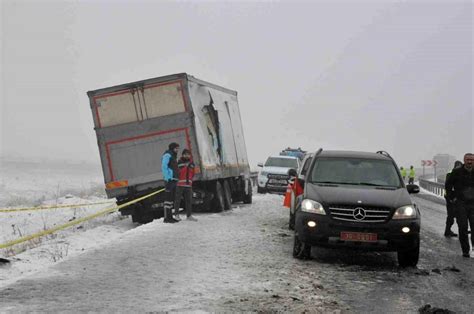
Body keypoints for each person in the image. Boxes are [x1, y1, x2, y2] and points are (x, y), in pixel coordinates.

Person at [445, 153, 474, 258]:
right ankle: (465, 250)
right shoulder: (456, 172)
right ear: (464, 160)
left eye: (472, 160)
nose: (470, 162)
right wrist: (452, 197)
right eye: (468, 159)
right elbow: (448, 185)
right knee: (463, 228)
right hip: (461, 204)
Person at [174, 149, 198, 222]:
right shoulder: (179, 162)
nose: (186, 155)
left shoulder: (192, 164)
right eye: (185, 154)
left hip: (188, 185)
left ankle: (189, 215)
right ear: (182, 155)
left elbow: (193, 173)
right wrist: (185, 166)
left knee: (189, 201)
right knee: (177, 200)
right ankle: (176, 215)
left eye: (188, 154)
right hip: (180, 184)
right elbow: (177, 172)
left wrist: (190, 180)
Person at [161, 142, 180, 223]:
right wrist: (168, 178)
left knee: (171, 200)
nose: (177, 150)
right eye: (176, 148)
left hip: (174, 180)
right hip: (169, 180)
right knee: (168, 200)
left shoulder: (173, 155)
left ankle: (170, 217)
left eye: (178, 148)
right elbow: (164, 166)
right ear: (172, 148)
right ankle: (167, 218)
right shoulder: (167, 155)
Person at [444, 160, 463, 237]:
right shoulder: (450, 174)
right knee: (451, 215)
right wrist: (452, 198)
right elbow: (448, 187)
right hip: (451, 198)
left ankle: (462, 231)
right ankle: (447, 231)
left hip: (458, 199)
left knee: (460, 215)